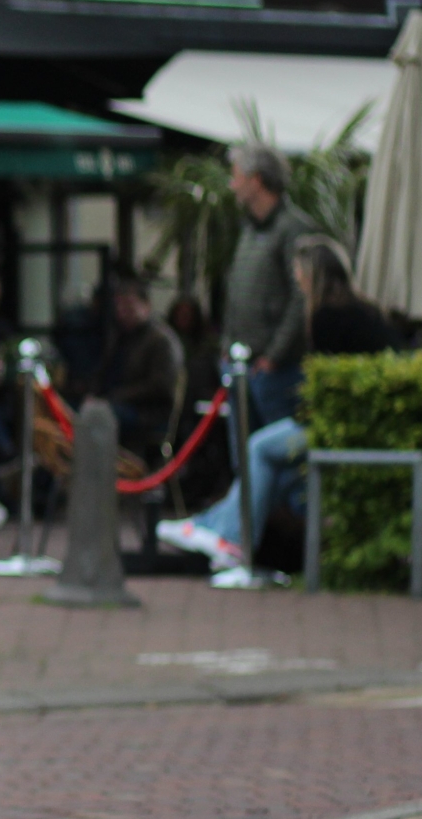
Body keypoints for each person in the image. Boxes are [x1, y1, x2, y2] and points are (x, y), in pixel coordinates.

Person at [159, 239, 398, 579]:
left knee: (259, 447)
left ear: (311, 275)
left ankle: (228, 540)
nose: (296, 280)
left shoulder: (328, 316)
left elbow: (329, 389)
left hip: (346, 428)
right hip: (357, 423)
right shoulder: (363, 310)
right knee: (276, 469)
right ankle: (213, 530)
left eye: (299, 273)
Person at [220, 142, 316, 429]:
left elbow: (302, 297)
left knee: (273, 458)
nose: (232, 185)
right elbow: (236, 290)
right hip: (242, 367)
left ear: (256, 180)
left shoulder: (293, 228)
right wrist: (227, 347)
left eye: (237, 176)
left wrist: (274, 357)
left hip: (275, 371)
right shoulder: (249, 228)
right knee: (245, 460)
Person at [88, 275, 184, 463]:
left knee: (101, 417)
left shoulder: (161, 340)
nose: (123, 313)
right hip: (118, 403)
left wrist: (115, 397)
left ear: (146, 306)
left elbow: (160, 387)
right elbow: (103, 373)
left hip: (147, 413)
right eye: (120, 308)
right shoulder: (120, 337)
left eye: (129, 307)